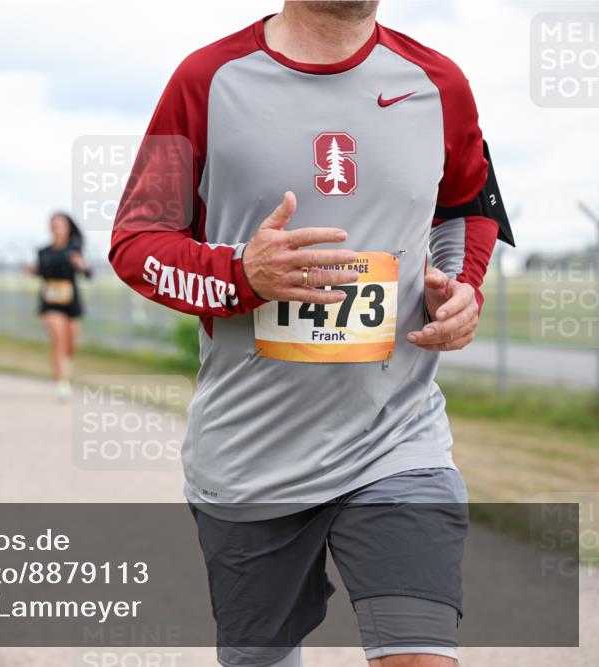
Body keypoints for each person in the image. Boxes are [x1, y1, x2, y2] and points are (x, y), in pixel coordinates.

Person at [109, 3, 510, 666]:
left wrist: (459, 283)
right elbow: (136, 242)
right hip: (250, 458)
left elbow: (469, 203)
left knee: (421, 656)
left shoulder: (439, 83)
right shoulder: (206, 79)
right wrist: (241, 271)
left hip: (396, 437)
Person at [29, 212, 89, 401]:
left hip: (71, 302)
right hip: (50, 302)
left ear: (67, 227)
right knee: (58, 340)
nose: (56, 228)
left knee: (70, 346)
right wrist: (33, 272)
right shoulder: (43, 252)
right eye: (53, 224)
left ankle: (65, 366)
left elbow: (88, 273)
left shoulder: (75, 249)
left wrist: (82, 266)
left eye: (59, 224)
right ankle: (62, 383)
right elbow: (41, 273)